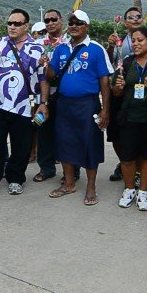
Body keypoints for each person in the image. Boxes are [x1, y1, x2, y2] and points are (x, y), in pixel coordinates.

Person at [0, 8, 48, 200]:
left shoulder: (37, 48)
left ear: (26, 26)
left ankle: (16, 178)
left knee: (21, 146)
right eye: (10, 23)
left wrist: (43, 103)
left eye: (17, 23)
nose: (12, 26)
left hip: (23, 106)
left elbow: (43, 79)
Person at [44, 10, 112, 205]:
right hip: (65, 103)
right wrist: (47, 62)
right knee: (64, 142)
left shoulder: (96, 49)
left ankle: (91, 186)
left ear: (86, 26)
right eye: (71, 22)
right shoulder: (60, 49)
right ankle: (69, 183)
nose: (73, 26)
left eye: (78, 22)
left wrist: (105, 109)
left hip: (88, 104)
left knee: (90, 143)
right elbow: (50, 76)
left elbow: (104, 81)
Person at [106, 7, 147, 183]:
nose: (135, 19)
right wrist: (110, 46)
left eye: (138, 16)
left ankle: (138, 174)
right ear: (124, 22)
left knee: (146, 147)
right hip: (124, 97)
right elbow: (111, 63)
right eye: (131, 17)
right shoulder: (118, 41)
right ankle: (125, 166)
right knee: (118, 135)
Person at [112, 26, 147, 211]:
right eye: (133, 40)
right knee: (127, 158)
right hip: (130, 117)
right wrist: (118, 86)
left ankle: (143, 191)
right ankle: (129, 189)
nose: (135, 44)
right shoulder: (126, 63)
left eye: (140, 40)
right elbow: (116, 93)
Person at [32, 9, 80, 184]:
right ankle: (46, 168)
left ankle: (73, 170)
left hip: (66, 95)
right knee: (43, 131)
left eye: (54, 19)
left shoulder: (71, 42)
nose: (50, 22)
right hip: (42, 96)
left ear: (61, 21)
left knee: (69, 133)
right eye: (47, 20)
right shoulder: (37, 44)